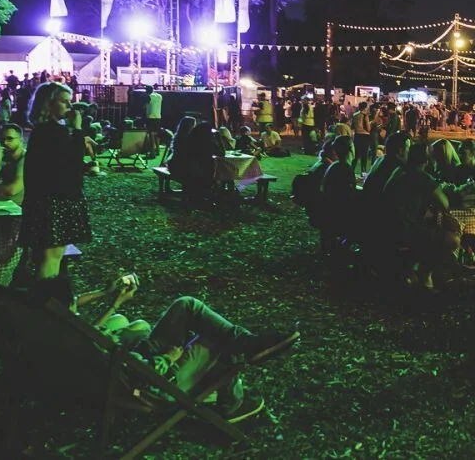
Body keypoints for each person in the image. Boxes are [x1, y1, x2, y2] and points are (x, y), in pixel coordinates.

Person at [77, 272, 299, 423]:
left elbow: (91, 336)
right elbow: (133, 372)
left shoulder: (67, 336)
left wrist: (113, 301)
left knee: (185, 306)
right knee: (214, 339)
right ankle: (231, 403)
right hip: (148, 383)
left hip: (134, 362)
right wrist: (167, 358)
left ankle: (246, 344)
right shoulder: (83, 348)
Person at [20, 82, 94, 291]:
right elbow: (72, 162)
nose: (70, 106)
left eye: (70, 101)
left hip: (42, 199)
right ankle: (45, 301)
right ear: (48, 103)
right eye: (64, 101)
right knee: (52, 256)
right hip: (56, 201)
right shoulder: (54, 131)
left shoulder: (42, 130)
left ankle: (42, 297)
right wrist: (78, 130)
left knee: (44, 254)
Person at [380, 143, 460, 289]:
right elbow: (444, 203)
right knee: (451, 239)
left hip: (386, 224)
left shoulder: (398, 171)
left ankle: (416, 269)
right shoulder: (422, 177)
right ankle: (426, 274)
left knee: (430, 226)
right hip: (404, 230)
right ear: (427, 161)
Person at [350, 102, 373, 176]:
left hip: (357, 135)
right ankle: (363, 171)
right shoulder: (365, 115)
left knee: (356, 155)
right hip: (364, 136)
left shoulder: (354, 115)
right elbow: (368, 128)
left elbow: (352, 126)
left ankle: (351, 171)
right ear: (365, 108)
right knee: (364, 155)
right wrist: (371, 124)